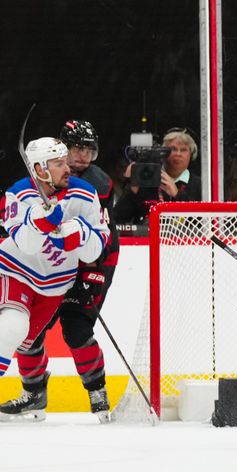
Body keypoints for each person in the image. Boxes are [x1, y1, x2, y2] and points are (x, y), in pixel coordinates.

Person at [0, 138, 109, 421]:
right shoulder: (18, 195)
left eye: (65, 161)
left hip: (55, 284)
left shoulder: (85, 194)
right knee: (11, 327)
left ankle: (38, 395)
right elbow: (25, 243)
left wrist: (80, 235)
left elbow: (99, 245)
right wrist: (40, 223)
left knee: (29, 340)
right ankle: (33, 393)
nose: (67, 168)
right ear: (39, 168)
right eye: (59, 163)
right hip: (16, 272)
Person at [24, 120, 119, 423]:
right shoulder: (41, 178)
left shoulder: (98, 183)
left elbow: (103, 234)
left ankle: (97, 393)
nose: (82, 156)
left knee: (77, 330)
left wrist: (93, 272)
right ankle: (34, 393)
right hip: (52, 266)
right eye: (77, 148)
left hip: (92, 262)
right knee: (30, 331)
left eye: (89, 149)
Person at [113, 128, 201, 224]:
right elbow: (117, 219)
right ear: (163, 153)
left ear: (192, 154)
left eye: (184, 150)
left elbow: (201, 223)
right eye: (173, 149)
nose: (178, 154)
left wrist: (177, 195)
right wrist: (132, 191)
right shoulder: (145, 178)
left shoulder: (200, 185)